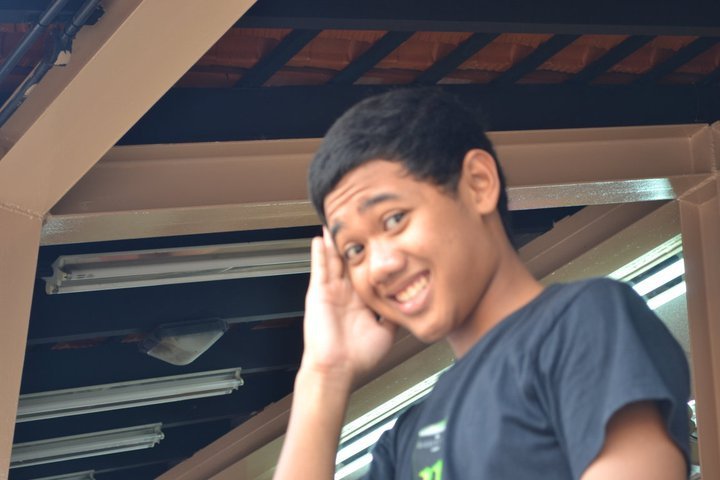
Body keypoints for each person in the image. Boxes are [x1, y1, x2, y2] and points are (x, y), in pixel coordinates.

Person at [273, 88, 690, 479]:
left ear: (478, 184)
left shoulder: (582, 320)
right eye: (354, 250)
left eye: (394, 219)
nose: (379, 266)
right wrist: (324, 374)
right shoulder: (406, 439)